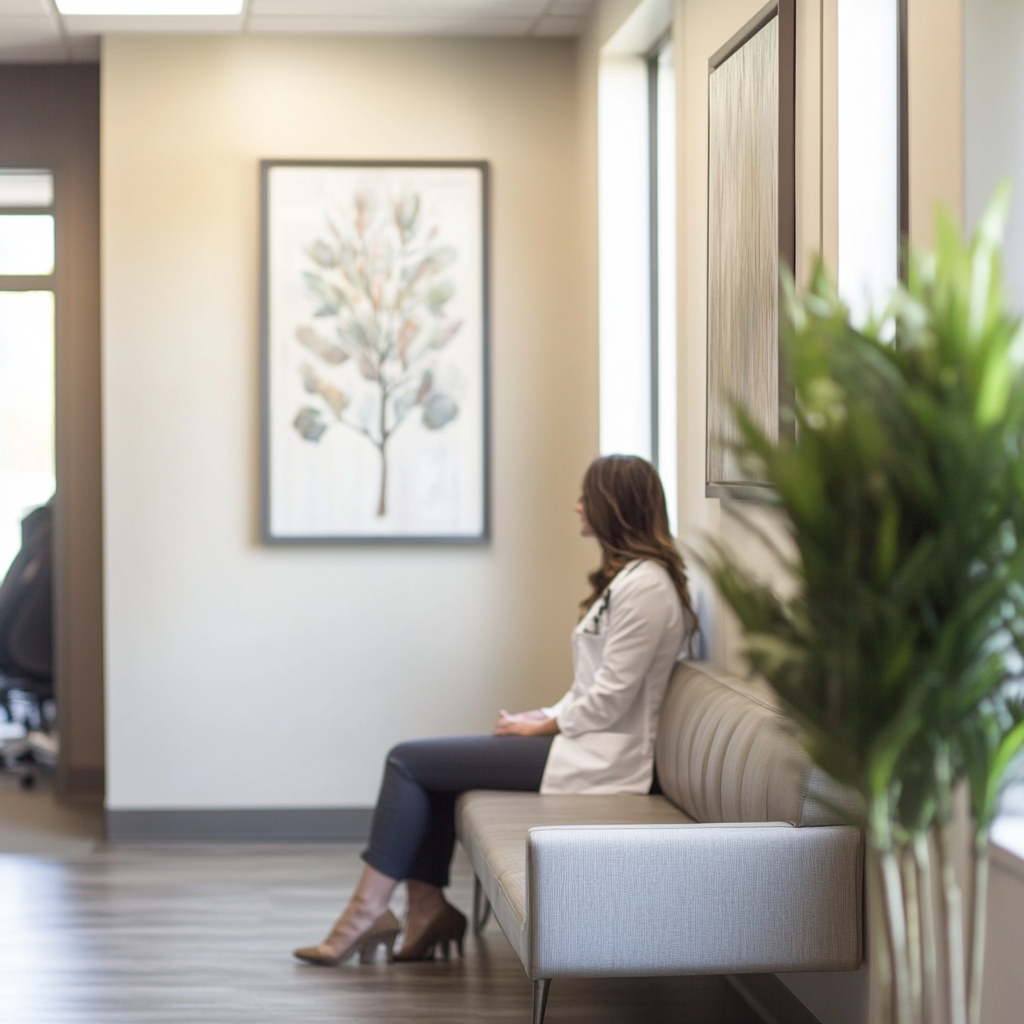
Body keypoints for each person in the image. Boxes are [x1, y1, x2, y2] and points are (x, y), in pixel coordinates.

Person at [293, 454, 699, 967]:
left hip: (603, 757)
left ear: (614, 506)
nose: (577, 505)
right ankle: (422, 911)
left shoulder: (647, 587)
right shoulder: (633, 580)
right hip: (582, 739)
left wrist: (544, 725)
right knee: (430, 770)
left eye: (586, 496)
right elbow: (593, 687)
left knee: (408, 761)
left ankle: (367, 913)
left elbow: (612, 699)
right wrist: (541, 716)